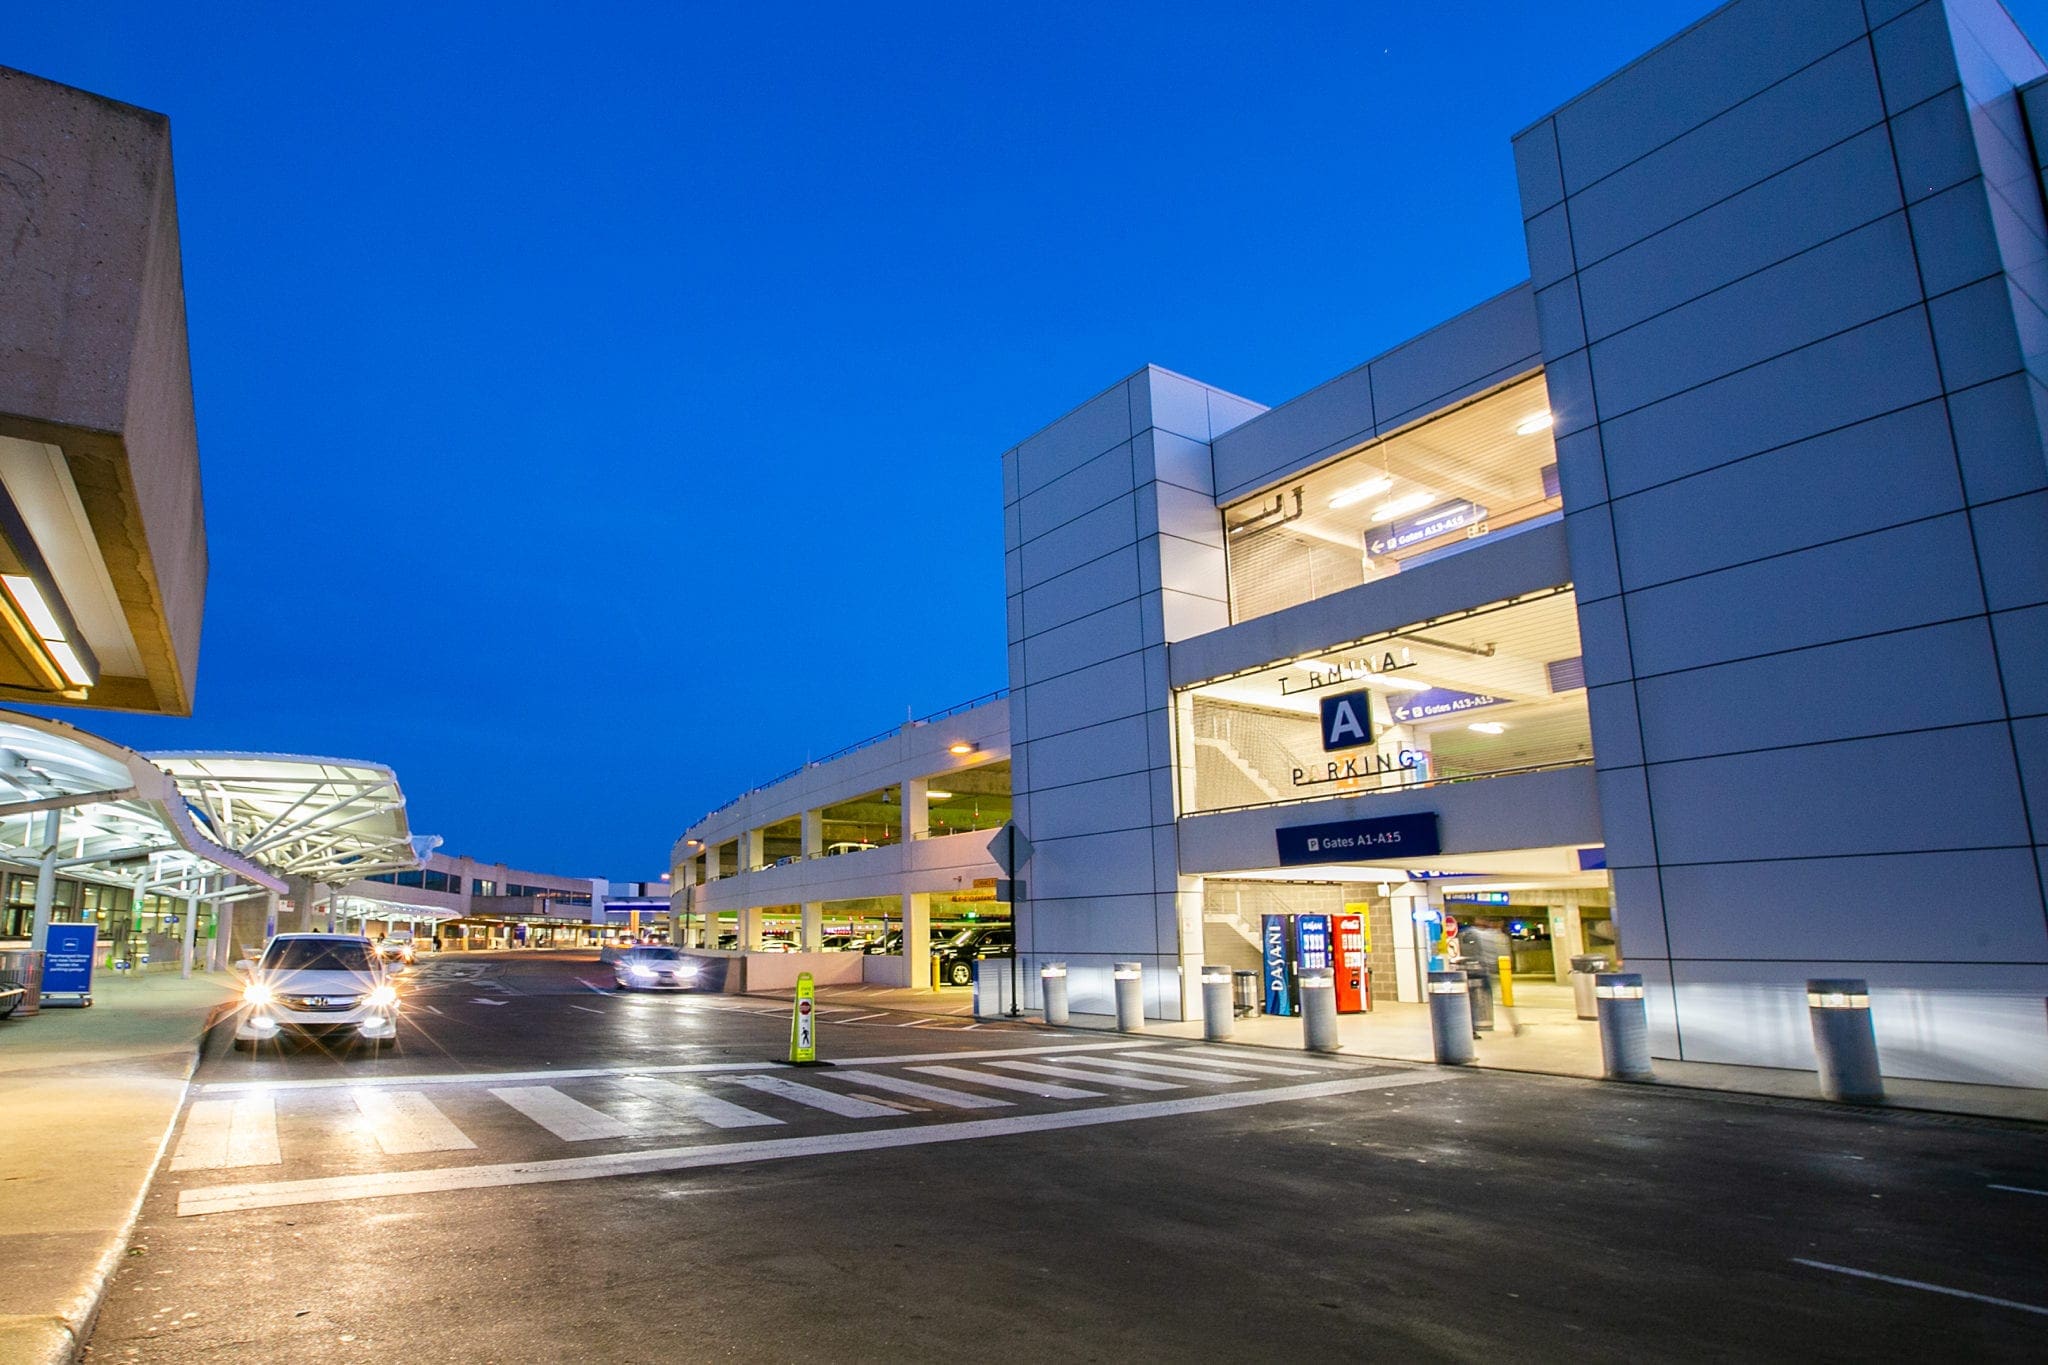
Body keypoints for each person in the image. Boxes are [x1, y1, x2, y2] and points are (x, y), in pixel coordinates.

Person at [1457, 920, 1521, 1037]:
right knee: (1500, 999)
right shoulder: (1501, 937)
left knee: (1470, 1000)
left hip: (1479, 970)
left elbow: (1466, 941)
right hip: (1492, 971)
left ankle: (1471, 1028)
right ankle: (1514, 1024)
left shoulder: (1478, 934)